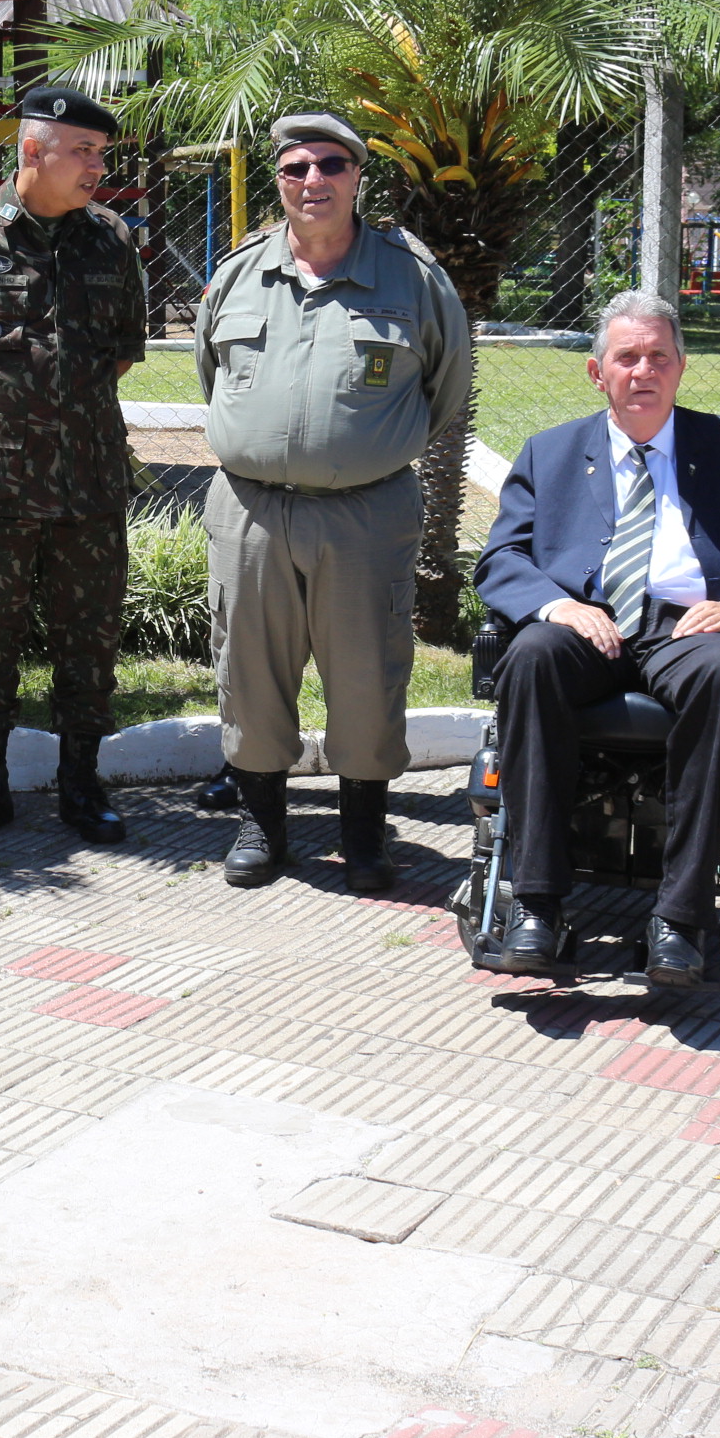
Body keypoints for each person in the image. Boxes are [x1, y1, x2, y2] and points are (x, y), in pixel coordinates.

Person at [475, 293, 720, 986]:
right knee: (530, 656)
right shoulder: (550, 453)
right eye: (627, 358)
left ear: (680, 369)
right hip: (589, 626)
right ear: (596, 371)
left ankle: (679, 920)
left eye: (659, 358)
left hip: (691, 629)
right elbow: (501, 560)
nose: (643, 372)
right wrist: (555, 606)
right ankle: (537, 905)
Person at [195, 112, 473, 890]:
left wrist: (364, 451)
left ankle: (364, 838)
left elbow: (444, 389)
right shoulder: (240, 272)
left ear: (357, 176)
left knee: (365, 675)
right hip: (249, 511)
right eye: (294, 169)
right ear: (278, 181)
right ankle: (261, 827)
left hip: (366, 513)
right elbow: (210, 377)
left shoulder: (412, 278)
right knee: (247, 671)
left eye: (330, 165)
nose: (312, 180)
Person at [0, 86, 150, 847]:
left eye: (102, 154)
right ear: (32, 152)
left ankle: (83, 786)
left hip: (89, 484)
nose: (97, 168)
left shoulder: (111, 237)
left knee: (90, 640)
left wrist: (57, 417)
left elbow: (122, 354)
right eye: (84, 151)